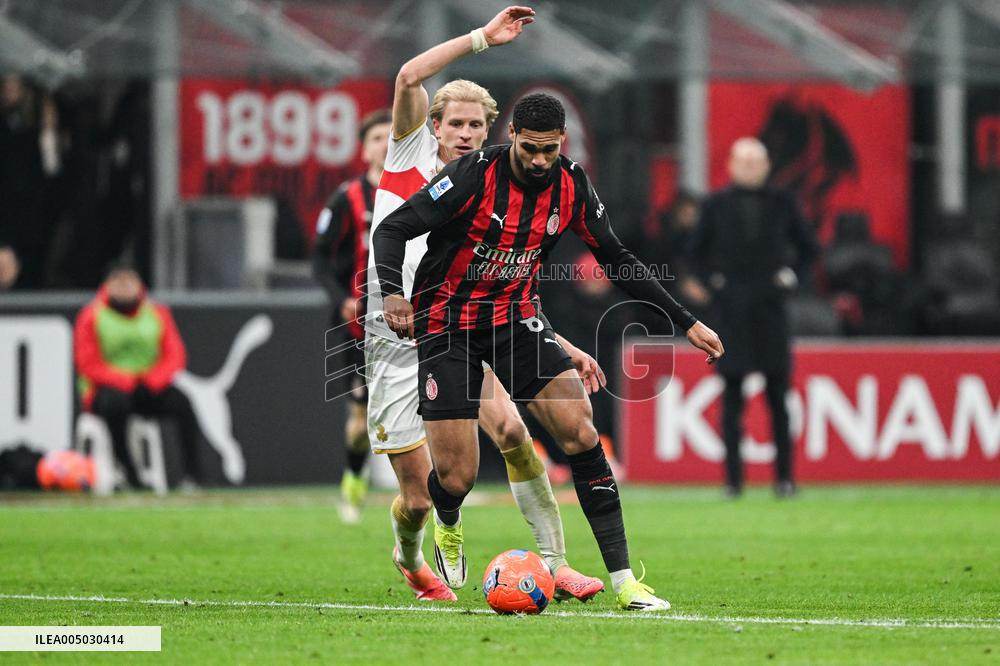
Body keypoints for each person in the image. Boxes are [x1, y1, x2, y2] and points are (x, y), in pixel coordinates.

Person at [373, 93, 724, 610]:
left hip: (514, 321)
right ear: (512, 135)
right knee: (455, 476)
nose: (540, 160)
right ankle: (446, 518)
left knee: (581, 430)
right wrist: (392, 293)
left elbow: (618, 257)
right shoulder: (473, 175)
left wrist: (685, 321)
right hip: (447, 326)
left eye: (550, 150)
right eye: (531, 148)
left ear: (562, 142)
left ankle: (626, 580)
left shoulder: (572, 185)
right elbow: (392, 228)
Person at [362, 6, 606, 604]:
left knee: (516, 432)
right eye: (457, 123)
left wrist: (563, 345)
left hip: (465, 326)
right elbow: (406, 78)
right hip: (395, 339)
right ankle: (412, 554)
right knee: (423, 494)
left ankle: (556, 562)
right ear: (435, 125)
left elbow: (507, 282)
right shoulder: (407, 159)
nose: (466, 134)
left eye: (477, 125)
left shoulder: (487, 182)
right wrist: (481, 40)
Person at [690, 137, 818, 498]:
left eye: (755, 161)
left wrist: (792, 277)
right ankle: (733, 482)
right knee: (731, 399)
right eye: (742, 161)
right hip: (730, 313)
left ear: (766, 166)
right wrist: (713, 285)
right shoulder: (715, 205)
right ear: (731, 165)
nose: (749, 167)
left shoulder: (784, 202)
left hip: (770, 311)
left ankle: (785, 479)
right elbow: (694, 254)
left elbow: (809, 249)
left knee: (778, 398)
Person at [312, 108, 392, 524]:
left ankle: (438, 493)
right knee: (360, 421)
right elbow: (320, 260)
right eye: (376, 137)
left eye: (390, 136)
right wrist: (341, 297)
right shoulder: (348, 197)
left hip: (409, 323)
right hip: (357, 325)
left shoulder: (421, 191)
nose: (384, 143)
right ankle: (354, 475)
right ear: (364, 148)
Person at [74, 267, 203, 489]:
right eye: (118, 281)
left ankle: (193, 476)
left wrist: (151, 381)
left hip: (147, 386)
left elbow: (175, 356)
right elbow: (87, 363)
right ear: (108, 285)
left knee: (182, 403)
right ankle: (128, 472)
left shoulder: (157, 312)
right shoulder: (92, 315)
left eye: (129, 281)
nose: (124, 287)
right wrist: (125, 381)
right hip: (105, 389)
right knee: (116, 405)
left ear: (139, 285)